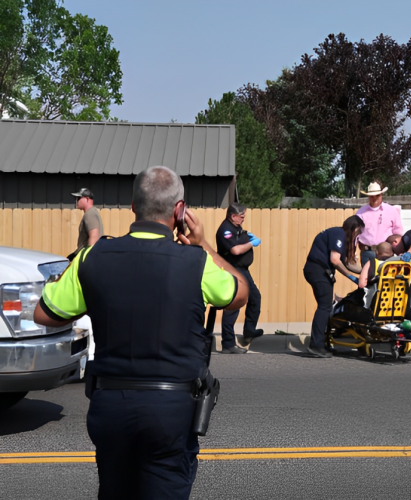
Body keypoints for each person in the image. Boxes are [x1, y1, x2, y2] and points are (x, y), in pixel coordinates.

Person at [33, 166, 249, 499]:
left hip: (110, 409)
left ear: (133, 206)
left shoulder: (92, 258)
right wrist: (202, 243)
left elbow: (43, 314)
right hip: (171, 412)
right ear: (179, 211)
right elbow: (240, 292)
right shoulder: (196, 263)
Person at [304, 215, 365, 358]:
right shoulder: (339, 233)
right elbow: (335, 260)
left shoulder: (341, 237)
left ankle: (320, 343)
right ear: (355, 228)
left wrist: (366, 271)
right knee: (324, 307)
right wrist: (350, 277)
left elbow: (348, 263)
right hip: (318, 270)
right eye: (359, 232)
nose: (358, 236)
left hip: (321, 271)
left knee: (325, 306)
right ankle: (316, 346)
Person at [215, 203, 263, 353]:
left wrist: (246, 236)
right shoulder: (225, 230)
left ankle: (249, 331)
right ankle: (228, 344)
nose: (243, 219)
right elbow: (235, 250)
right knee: (234, 304)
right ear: (233, 216)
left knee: (255, 298)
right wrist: (251, 243)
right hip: (233, 270)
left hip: (242, 269)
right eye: (241, 216)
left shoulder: (235, 228)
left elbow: (238, 240)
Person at [356, 181, 404, 267]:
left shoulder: (391, 211)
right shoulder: (360, 213)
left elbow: (398, 233)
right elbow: (355, 234)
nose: (374, 198)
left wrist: (400, 251)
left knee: (386, 279)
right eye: (372, 196)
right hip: (367, 251)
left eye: (377, 195)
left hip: (386, 253)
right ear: (368, 197)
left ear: (381, 195)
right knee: (369, 279)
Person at [69, 187, 104, 260]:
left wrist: (87, 260)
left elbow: (94, 238)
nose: (76, 201)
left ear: (87, 199)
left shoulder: (90, 214)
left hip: (87, 258)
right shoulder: (92, 212)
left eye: (79, 198)